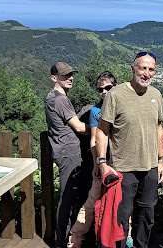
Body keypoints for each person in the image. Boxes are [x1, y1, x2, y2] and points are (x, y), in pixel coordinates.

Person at [96, 52, 163, 248]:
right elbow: (102, 130)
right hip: (123, 168)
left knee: (146, 216)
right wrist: (102, 163)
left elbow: (159, 127)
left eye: (151, 69)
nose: (146, 73)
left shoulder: (155, 95)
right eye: (142, 68)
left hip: (150, 167)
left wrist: (161, 160)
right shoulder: (116, 95)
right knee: (120, 219)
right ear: (132, 69)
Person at [68, 71, 117, 248]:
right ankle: (75, 240)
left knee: (122, 204)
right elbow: (95, 139)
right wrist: (98, 162)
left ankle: (123, 238)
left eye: (108, 88)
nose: (104, 92)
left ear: (115, 87)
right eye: (100, 89)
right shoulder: (96, 110)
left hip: (121, 163)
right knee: (90, 203)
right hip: (104, 163)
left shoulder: (122, 106)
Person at [44, 62, 90, 248]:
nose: (70, 78)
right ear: (54, 78)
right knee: (67, 199)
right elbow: (78, 127)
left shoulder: (52, 97)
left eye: (71, 74)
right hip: (69, 153)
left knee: (69, 197)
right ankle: (61, 241)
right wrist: (101, 129)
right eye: (64, 75)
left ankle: (64, 239)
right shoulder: (59, 99)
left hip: (64, 152)